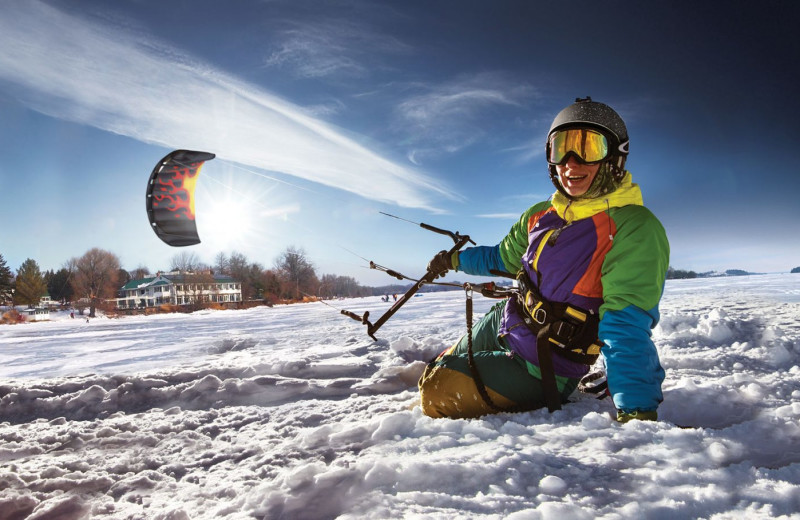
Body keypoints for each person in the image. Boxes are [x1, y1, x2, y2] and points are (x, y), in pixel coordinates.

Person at [418, 97, 669, 423]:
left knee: (435, 390)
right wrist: (453, 260)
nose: (571, 162)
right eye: (560, 148)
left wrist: (637, 411)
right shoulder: (539, 214)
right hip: (507, 320)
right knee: (440, 363)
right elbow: (502, 257)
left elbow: (625, 324)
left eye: (588, 147)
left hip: (548, 361)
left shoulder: (633, 227)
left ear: (615, 157)